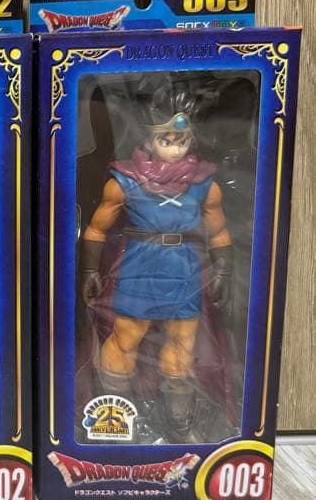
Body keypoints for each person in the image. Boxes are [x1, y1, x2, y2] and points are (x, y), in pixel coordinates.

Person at [80, 86, 233, 443]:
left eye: (182, 140)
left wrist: (224, 269)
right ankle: (114, 420)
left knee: (182, 344)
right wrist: (89, 270)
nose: (175, 148)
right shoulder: (125, 181)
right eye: (167, 139)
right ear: (149, 140)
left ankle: (177, 423)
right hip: (140, 266)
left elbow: (219, 230)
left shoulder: (204, 184)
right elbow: (96, 228)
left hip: (183, 268)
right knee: (125, 338)